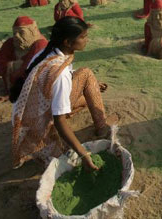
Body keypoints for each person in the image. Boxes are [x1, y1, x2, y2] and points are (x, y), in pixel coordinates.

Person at [11, 17, 110, 170]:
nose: (87, 40)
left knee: (88, 85)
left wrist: (92, 87)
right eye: (83, 37)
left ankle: (90, 93)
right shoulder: (60, 73)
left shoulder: (46, 52)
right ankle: (102, 127)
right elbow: (59, 120)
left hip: (28, 112)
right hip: (40, 121)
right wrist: (83, 154)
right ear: (68, 42)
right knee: (87, 74)